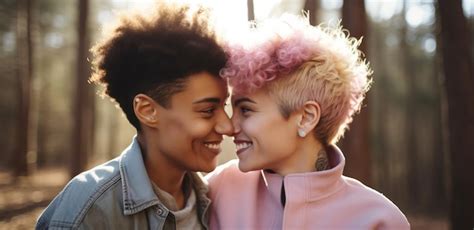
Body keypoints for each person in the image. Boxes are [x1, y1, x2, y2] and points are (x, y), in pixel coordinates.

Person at [36, 2, 233, 229]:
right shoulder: (90, 211)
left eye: (224, 106)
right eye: (208, 111)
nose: (227, 126)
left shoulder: (219, 199)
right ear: (148, 111)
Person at [206, 15, 410, 229]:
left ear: (306, 118)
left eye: (246, 110)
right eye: (234, 108)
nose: (230, 126)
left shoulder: (380, 221)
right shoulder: (217, 189)